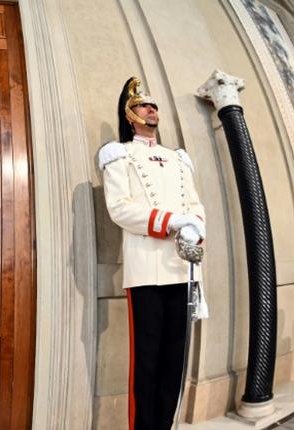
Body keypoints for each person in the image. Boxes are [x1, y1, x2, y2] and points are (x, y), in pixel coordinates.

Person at [98, 77, 206, 429]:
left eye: (155, 105)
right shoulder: (120, 154)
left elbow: (195, 203)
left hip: (182, 267)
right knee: (145, 361)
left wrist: (196, 226)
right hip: (146, 269)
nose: (152, 109)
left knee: (174, 360)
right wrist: (174, 221)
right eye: (144, 105)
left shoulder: (178, 159)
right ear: (130, 115)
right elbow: (120, 209)